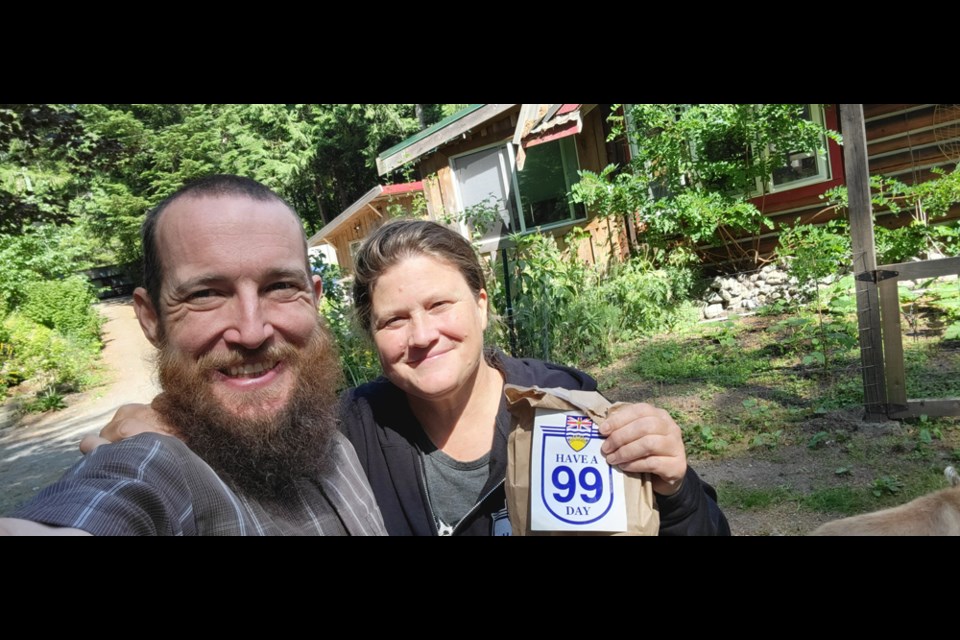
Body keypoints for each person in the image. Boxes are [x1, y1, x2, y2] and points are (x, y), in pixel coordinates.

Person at [87, 218, 730, 536]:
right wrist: (160, 426)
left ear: (481, 303)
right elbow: (241, 430)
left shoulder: (565, 406)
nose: (422, 336)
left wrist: (676, 488)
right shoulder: (345, 434)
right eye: (395, 319)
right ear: (370, 336)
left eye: (441, 305)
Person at [0, 175, 386, 536]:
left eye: (280, 286)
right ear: (151, 319)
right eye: (205, 294)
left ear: (315, 300)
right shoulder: (154, 466)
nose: (252, 332)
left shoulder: (337, 434)